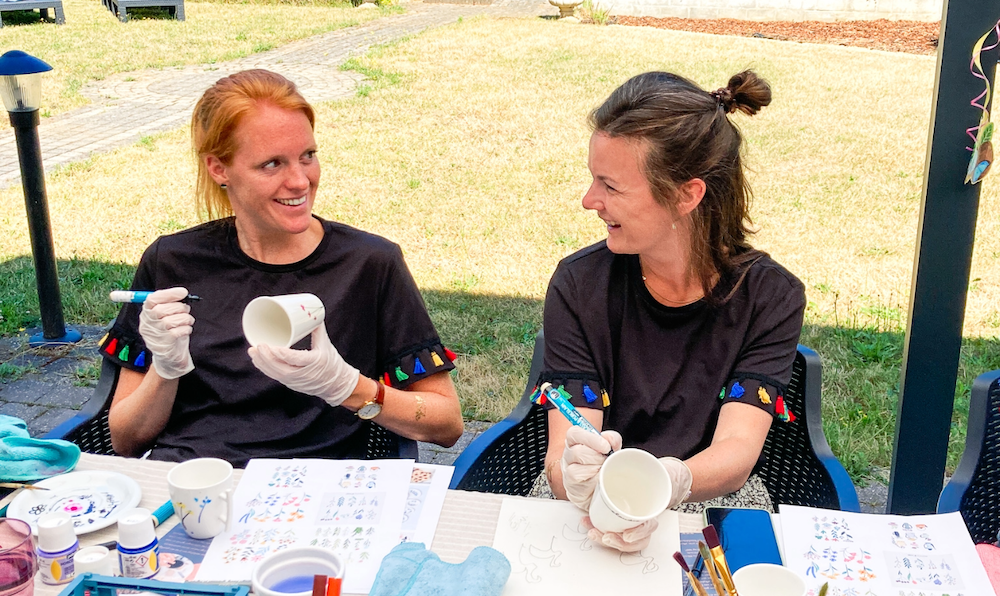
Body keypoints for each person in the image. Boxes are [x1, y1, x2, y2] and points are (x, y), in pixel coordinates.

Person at [101, 69, 464, 467]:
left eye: (308, 156)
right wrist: (166, 370)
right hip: (195, 486)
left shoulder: (369, 264)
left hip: (314, 492)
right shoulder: (172, 262)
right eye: (272, 164)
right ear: (219, 169)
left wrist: (347, 387)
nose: (300, 181)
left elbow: (446, 425)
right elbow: (126, 441)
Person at [532, 70, 806, 551]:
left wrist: (667, 483)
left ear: (687, 195)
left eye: (610, 186)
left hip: (711, 498)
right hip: (592, 500)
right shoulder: (579, 285)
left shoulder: (770, 297)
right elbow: (565, 450)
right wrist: (574, 478)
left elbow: (737, 451)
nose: (588, 201)